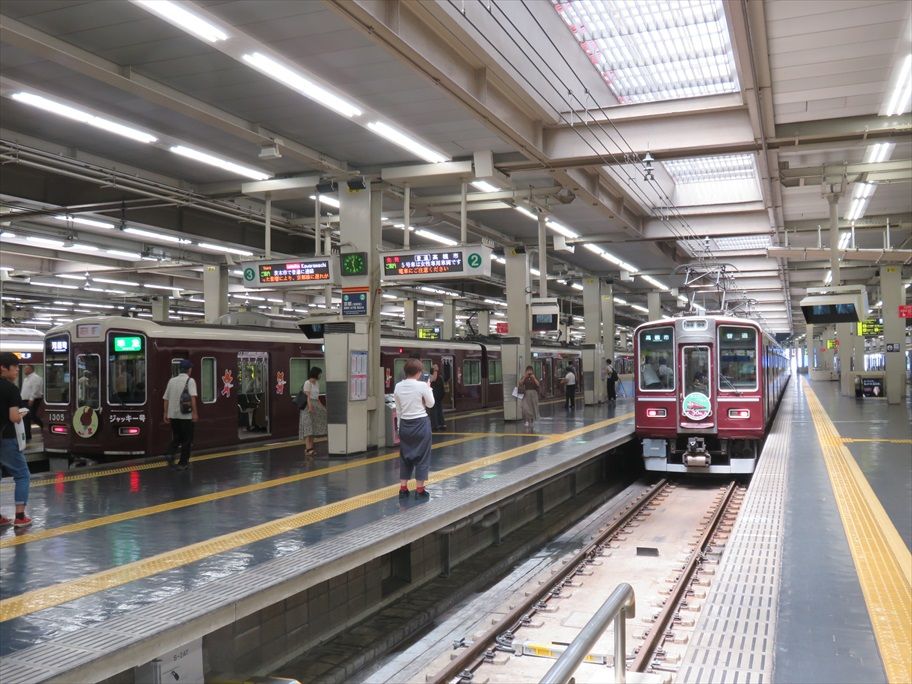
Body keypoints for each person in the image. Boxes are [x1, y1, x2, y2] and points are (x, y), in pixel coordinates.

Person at [395, 358, 435, 501]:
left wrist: (399, 427)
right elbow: (430, 404)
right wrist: (429, 388)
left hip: (405, 424)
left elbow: (399, 409)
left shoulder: (398, 386)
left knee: (405, 456)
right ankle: (419, 490)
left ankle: (403, 489)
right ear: (418, 372)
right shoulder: (422, 386)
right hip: (421, 424)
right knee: (422, 456)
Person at [0, 352, 32, 527]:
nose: (17, 371)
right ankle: (20, 516)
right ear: (3, 368)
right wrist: (21, 415)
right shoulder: (10, 389)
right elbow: (13, 417)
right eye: (15, 367)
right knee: (22, 475)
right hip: (6, 438)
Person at [162, 359, 198, 470]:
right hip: (186, 415)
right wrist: (195, 413)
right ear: (189, 370)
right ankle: (183, 463)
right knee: (187, 439)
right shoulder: (190, 381)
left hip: (173, 415)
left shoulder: (171, 380)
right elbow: (192, 398)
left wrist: (165, 413)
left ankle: (169, 453)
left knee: (177, 436)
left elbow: (166, 399)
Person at [298, 367, 326, 457]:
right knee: (308, 427)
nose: (320, 375)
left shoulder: (317, 383)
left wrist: (322, 407)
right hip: (307, 407)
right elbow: (308, 397)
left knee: (312, 428)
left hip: (315, 405)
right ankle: (308, 449)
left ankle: (310, 448)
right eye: (319, 373)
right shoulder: (307, 383)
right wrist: (310, 407)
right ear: (315, 373)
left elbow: (317, 398)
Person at [20, 364, 43, 441]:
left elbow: (35, 389)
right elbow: (24, 390)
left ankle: (43, 426)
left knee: (32, 416)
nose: (24, 370)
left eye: (26, 369)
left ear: (31, 369)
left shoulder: (36, 378)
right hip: (24, 400)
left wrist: (31, 399)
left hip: (32, 400)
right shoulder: (26, 379)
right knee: (25, 417)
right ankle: (27, 436)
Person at [429, 364, 446, 430]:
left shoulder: (430, 377)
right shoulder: (440, 378)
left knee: (433, 411)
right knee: (439, 410)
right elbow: (443, 389)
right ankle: (442, 424)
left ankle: (435, 425)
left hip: (433, 396)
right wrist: (442, 396)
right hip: (438, 397)